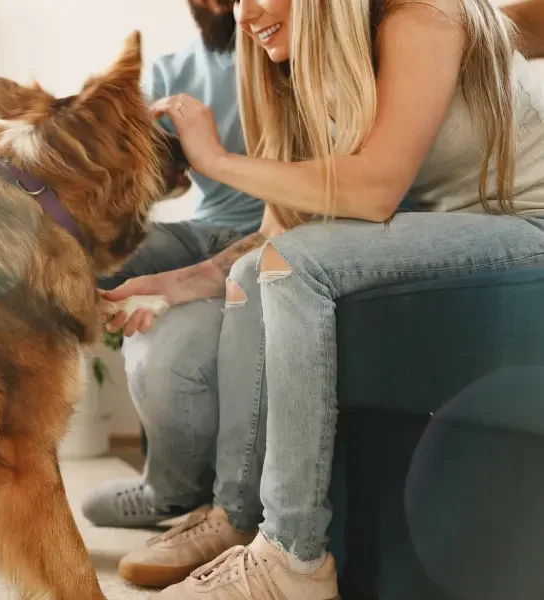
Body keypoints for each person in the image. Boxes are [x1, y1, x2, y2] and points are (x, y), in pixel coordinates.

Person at [103, 0, 544, 598]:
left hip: (529, 226)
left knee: (297, 264)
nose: (243, 12)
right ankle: (235, 518)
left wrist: (216, 160)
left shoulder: (420, 16)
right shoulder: (311, 69)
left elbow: (377, 189)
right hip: (462, 231)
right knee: (256, 270)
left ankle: (294, 556)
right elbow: (272, 233)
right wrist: (172, 285)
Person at [81, 0, 267, 537]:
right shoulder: (171, 70)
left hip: (271, 231)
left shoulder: (291, 63)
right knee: (42, 261)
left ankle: (169, 494)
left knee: (163, 339)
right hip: (198, 230)